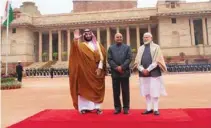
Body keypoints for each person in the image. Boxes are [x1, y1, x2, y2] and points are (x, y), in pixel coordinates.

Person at [69, 29, 106, 115]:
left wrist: (100, 68)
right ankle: (84, 108)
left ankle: (97, 107)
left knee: (96, 90)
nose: (88, 35)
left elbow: (102, 57)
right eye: (86, 34)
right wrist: (75, 40)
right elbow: (75, 52)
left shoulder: (98, 45)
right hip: (85, 73)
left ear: (92, 35)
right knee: (84, 90)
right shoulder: (81, 46)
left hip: (96, 72)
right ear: (84, 36)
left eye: (89, 34)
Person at [134, 32, 167, 116]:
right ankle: (148, 108)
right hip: (143, 73)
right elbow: (137, 62)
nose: (145, 38)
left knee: (154, 90)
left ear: (151, 38)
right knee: (146, 91)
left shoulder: (156, 47)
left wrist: (148, 69)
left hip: (154, 73)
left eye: (147, 37)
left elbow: (157, 60)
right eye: (144, 37)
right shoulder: (140, 48)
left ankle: (156, 109)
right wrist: (142, 69)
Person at [107, 33, 132, 114]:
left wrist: (122, 67)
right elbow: (109, 59)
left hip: (124, 72)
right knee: (116, 92)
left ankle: (126, 108)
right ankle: (117, 108)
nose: (119, 38)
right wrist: (116, 67)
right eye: (117, 37)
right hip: (115, 73)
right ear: (115, 38)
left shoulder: (127, 47)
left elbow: (129, 58)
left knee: (125, 91)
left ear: (122, 38)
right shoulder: (111, 48)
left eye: (120, 37)